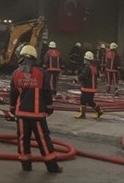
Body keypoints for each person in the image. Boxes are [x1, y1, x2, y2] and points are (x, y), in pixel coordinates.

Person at [9, 45, 62, 173]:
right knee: (43, 140)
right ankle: (52, 166)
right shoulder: (41, 73)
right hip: (37, 114)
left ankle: (26, 165)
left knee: (23, 139)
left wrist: (12, 108)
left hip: (21, 114)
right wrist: (49, 107)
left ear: (21, 57)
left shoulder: (15, 74)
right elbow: (46, 92)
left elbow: (13, 94)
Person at [73, 51, 103, 119]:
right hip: (92, 87)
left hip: (87, 87)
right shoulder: (94, 67)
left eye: (85, 59)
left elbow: (83, 75)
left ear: (87, 60)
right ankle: (99, 111)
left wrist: (76, 79)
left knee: (83, 99)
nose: (84, 60)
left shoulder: (87, 67)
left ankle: (82, 114)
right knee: (90, 101)